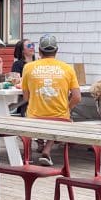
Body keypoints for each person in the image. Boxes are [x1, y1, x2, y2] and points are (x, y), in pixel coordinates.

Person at [20, 33, 81, 166]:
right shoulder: (68, 68)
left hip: (35, 117)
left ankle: (28, 154)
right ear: (56, 51)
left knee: (27, 114)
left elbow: (26, 97)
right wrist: (67, 109)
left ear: (40, 51)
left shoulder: (28, 67)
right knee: (62, 117)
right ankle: (47, 149)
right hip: (58, 117)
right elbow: (77, 97)